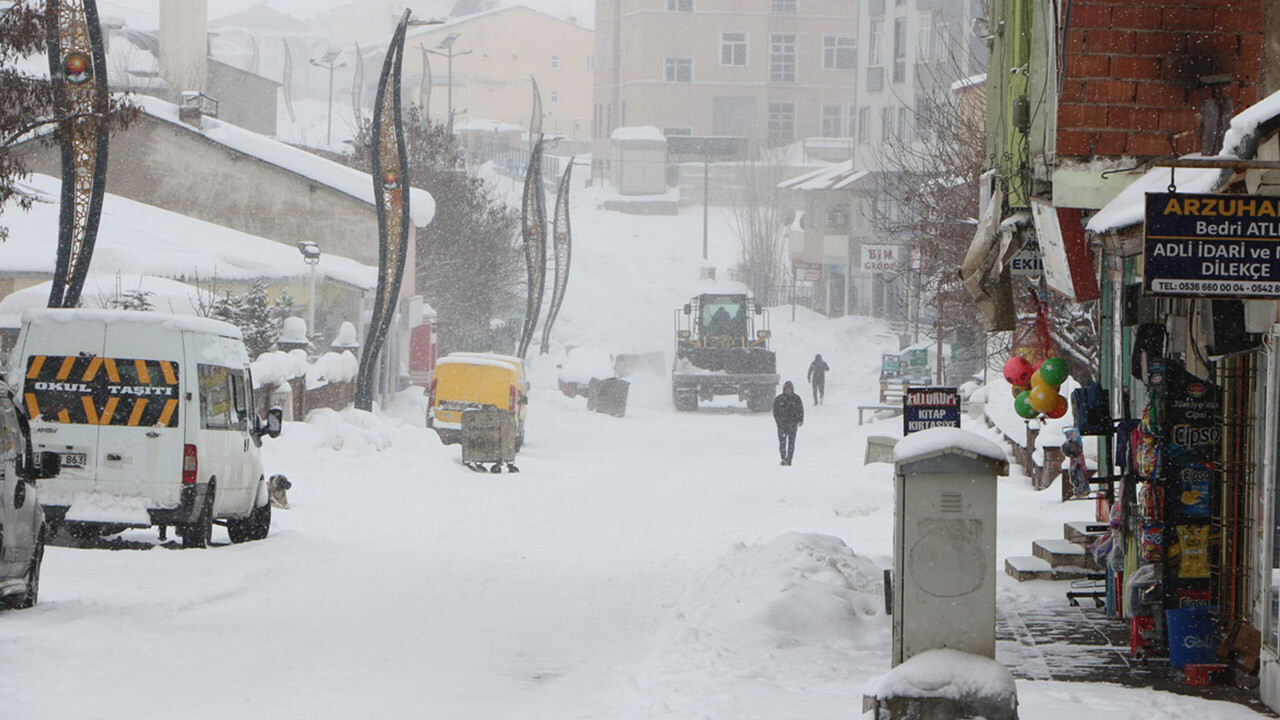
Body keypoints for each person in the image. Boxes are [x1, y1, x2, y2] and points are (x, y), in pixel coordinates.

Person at [772, 381, 804, 466]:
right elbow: (775, 412)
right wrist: (778, 421)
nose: (788, 391)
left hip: (793, 425)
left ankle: (789, 459)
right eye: (786, 389)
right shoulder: (779, 399)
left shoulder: (796, 398)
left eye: (790, 389)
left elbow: (800, 410)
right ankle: (783, 458)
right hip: (781, 425)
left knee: (791, 443)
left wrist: (800, 420)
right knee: (782, 443)